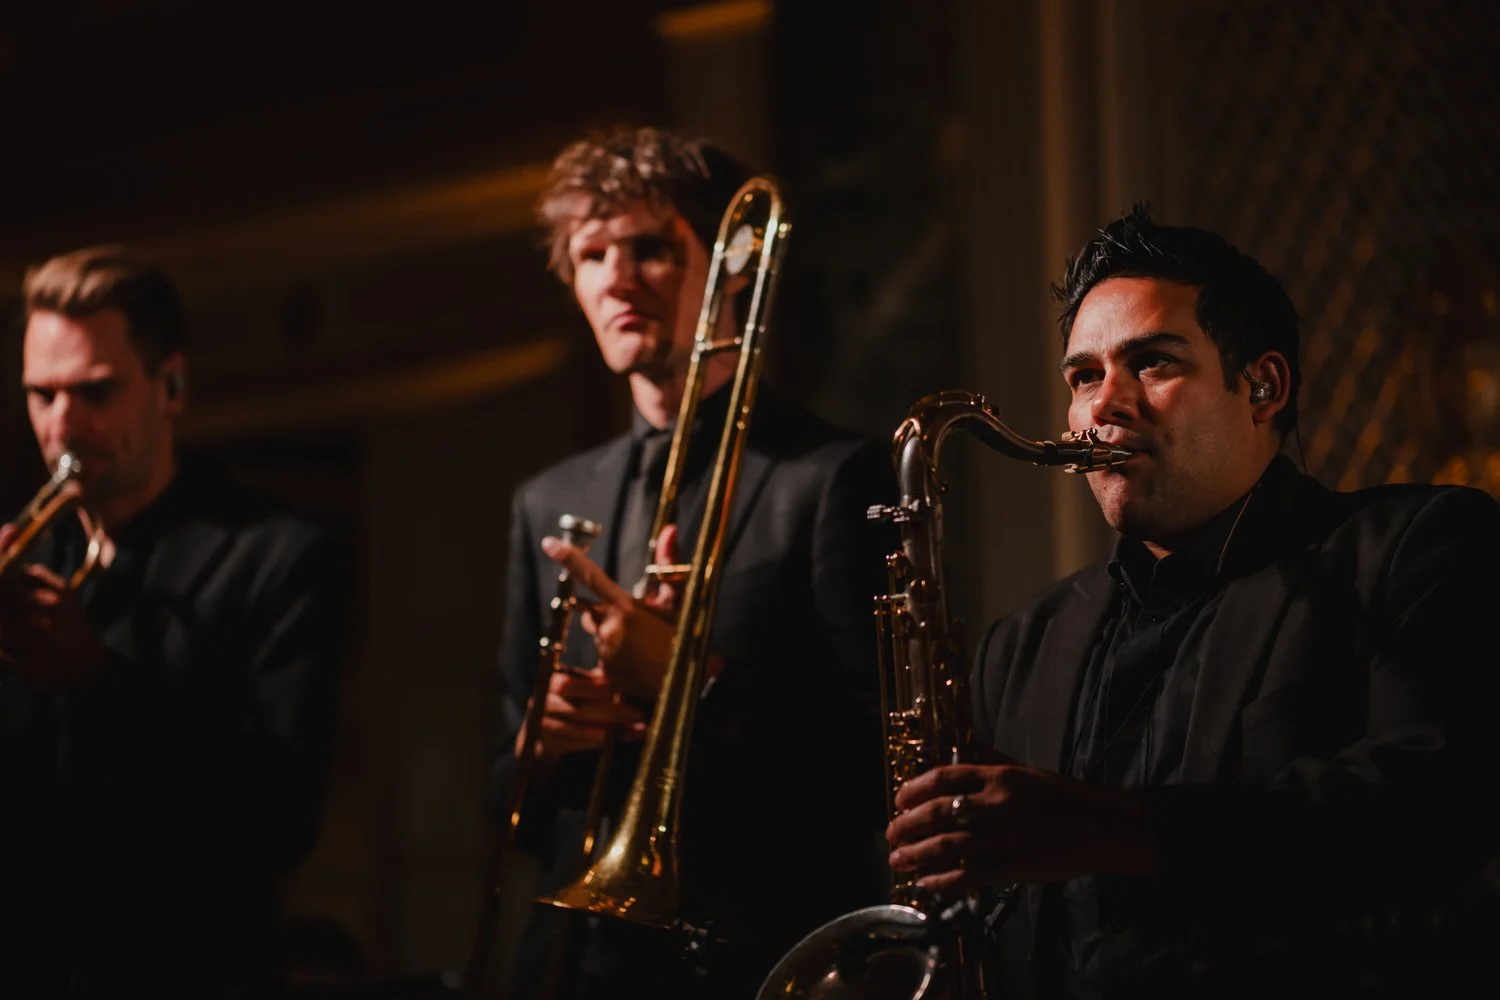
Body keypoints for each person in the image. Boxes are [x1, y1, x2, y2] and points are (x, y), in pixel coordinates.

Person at [884, 205, 1500, 999]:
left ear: (1263, 387)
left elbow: (1430, 815)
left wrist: (1107, 827)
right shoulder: (1022, 644)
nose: (1104, 405)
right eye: (1083, 376)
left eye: (1152, 364)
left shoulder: (1417, 546)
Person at [489, 125, 897, 999]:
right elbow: (505, 805)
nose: (617, 279)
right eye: (591, 255)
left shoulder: (828, 478)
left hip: (758, 958)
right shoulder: (544, 500)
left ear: (732, 271)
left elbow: (880, 769)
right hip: (577, 965)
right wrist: (544, 740)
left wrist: (694, 682)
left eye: (650, 250)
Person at [0, 246, 349, 998]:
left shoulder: (279, 556)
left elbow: (279, 821)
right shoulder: (24, 561)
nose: (62, 425)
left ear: (173, 387)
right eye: (41, 395)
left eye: (95, 393)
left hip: (189, 970)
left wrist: (95, 678)